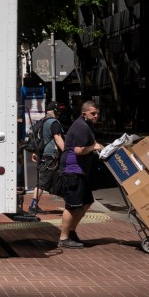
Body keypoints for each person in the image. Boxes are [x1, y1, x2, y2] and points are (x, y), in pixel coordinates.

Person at [57, 100, 103, 249]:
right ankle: (63, 238)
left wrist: (98, 146)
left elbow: (92, 144)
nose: (96, 116)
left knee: (86, 201)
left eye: (97, 113)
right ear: (84, 114)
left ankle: (71, 231)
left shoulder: (86, 125)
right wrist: (93, 147)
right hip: (73, 171)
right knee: (72, 205)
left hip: (81, 171)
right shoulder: (81, 126)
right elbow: (79, 150)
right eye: (93, 114)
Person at [28, 108, 65, 214]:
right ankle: (32, 207)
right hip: (50, 157)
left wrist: (36, 152)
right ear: (54, 111)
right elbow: (58, 139)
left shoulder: (43, 121)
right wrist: (68, 152)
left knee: (47, 181)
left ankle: (34, 205)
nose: (59, 114)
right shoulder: (54, 123)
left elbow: (40, 139)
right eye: (58, 111)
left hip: (43, 155)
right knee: (42, 183)